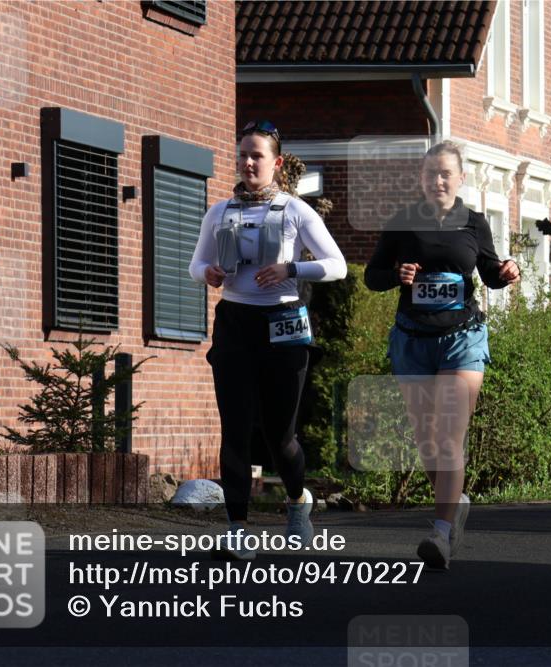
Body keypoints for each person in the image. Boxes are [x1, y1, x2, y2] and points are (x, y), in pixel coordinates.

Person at [190, 120, 347, 560]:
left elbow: (337, 265)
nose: (247, 162)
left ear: (276, 163)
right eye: (242, 153)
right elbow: (195, 264)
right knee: (235, 430)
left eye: (256, 155)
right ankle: (237, 530)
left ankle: (298, 502)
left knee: (281, 437)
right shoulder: (219, 211)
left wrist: (291, 269)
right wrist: (209, 273)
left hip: (284, 326)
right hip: (236, 324)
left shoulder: (296, 210)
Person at [364, 141, 520, 570]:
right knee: (427, 440)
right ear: (421, 178)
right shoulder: (402, 223)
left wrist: (507, 271)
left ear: (460, 179)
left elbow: (489, 272)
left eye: (446, 174)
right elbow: (371, 277)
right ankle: (456, 500)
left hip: (462, 338)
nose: (438, 181)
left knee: (449, 433)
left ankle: (441, 533)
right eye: (431, 173)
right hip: (412, 339)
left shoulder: (473, 223)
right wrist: (397, 274)